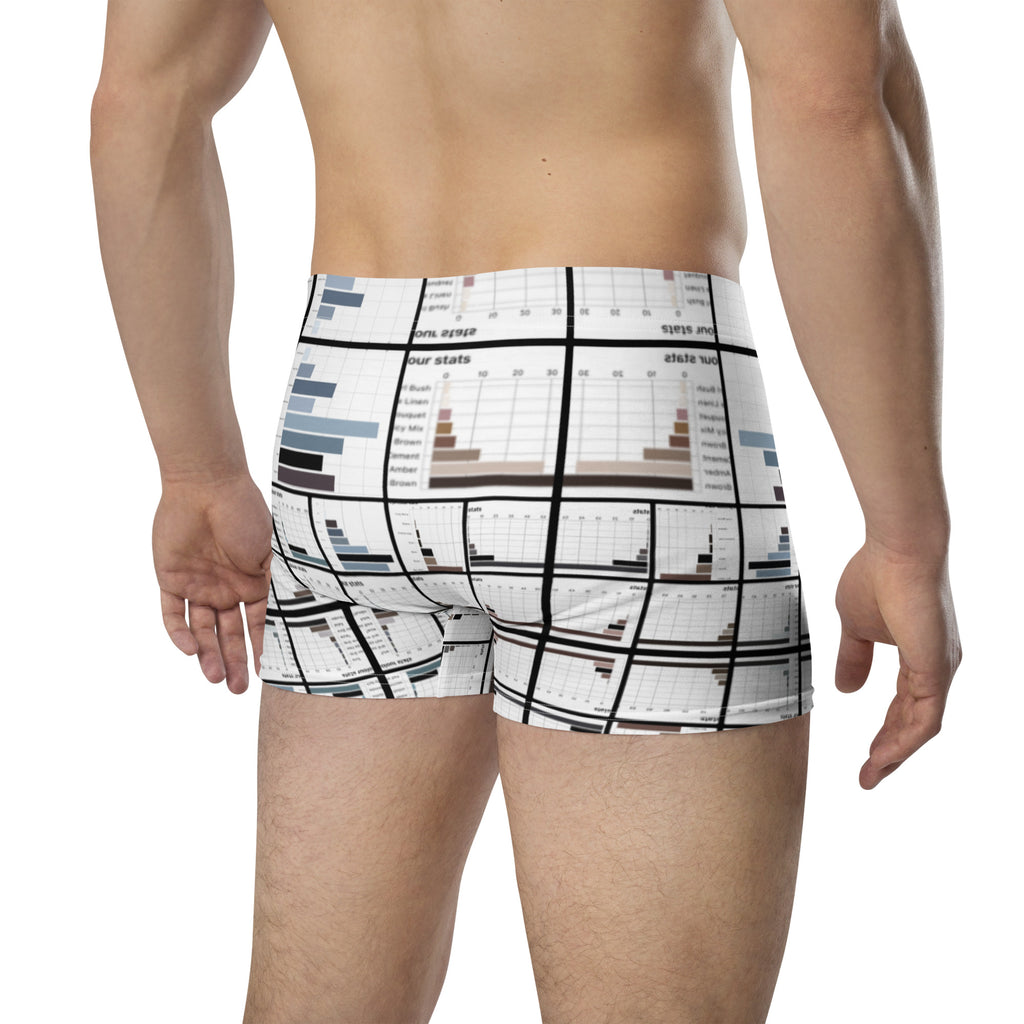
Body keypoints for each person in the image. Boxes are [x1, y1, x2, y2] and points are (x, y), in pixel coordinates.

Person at [89, 0, 962, 1020]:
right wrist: (906, 533)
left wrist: (196, 469)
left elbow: (143, 102)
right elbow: (832, 101)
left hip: (351, 408)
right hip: (628, 406)